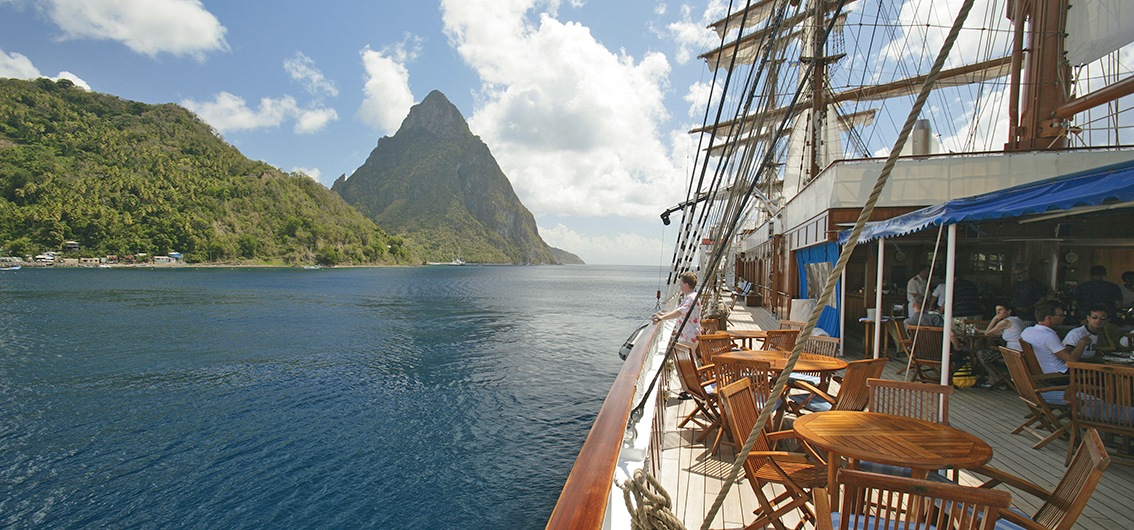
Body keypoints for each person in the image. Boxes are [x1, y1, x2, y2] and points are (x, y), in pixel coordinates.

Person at [1020, 303, 1076, 384]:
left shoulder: (1027, 331)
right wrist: (1082, 343)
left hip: (1043, 371)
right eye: (1061, 315)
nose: (1064, 317)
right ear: (1049, 317)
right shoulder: (1049, 335)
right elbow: (1072, 359)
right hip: (1058, 375)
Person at [979, 303, 1025, 387]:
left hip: (1011, 353)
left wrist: (994, 319)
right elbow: (1000, 333)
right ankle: (991, 380)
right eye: (996, 310)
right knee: (990, 353)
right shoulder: (1017, 319)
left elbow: (987, 334)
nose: (998, 313)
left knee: (981, 354)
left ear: (1009, 311)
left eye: (1001, 310)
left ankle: (996, 379)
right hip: (1021, 351)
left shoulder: (1005, 322)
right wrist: (979, 331)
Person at [653, 271, 702, 345]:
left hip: (688, 338)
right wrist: (665, 314)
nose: (679, 284)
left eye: (681, 283)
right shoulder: (693, 296)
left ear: (686, 285)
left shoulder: (691, 298)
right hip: (690, 336)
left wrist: (663, 317)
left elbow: (679, 312)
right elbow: (681, 312)